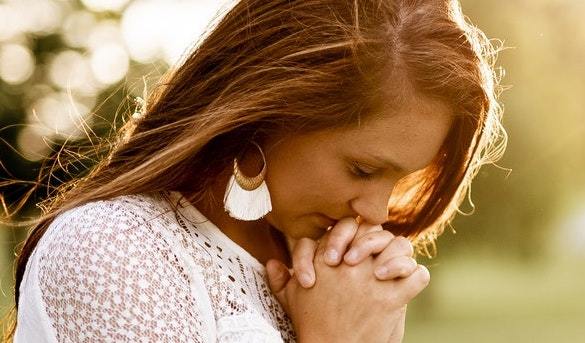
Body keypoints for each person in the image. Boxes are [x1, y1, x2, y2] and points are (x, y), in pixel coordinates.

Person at [6, 0, 505, 341]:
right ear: (266, 116)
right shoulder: (113, 251)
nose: (376, 212)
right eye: (362, 168)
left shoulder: (334, 282)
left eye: (398, 180)